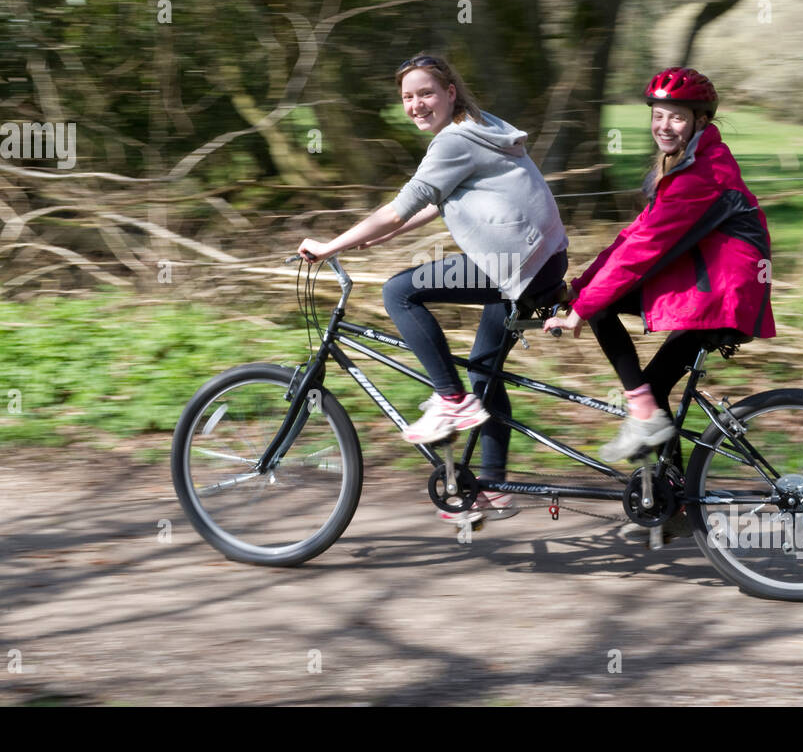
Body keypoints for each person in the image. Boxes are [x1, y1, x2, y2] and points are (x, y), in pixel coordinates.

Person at [298, 53, 568, 521]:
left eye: (425, 93)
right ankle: (493, 488)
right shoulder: (482, 124)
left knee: (398, 292)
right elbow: (432, 199)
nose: (416, 105)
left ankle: (449, 400)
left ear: (449, 93)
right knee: (485, 371)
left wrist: (329, 246)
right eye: (407, 97)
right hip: (542, 260)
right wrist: (382, 235)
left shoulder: (454, 140)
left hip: (514, 265)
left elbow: (402, 205)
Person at [544, 67, 775, 461]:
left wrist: (583, 307)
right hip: (711, 288)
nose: (664, 126)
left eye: (677, 116)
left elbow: (643, 250)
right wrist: (581, 287)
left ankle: (645, 416)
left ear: (701, 120)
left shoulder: (701, 173)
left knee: (608, 317)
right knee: (651, 384)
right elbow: (634, 235)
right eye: (658, 115)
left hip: (723, 294)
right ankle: (673, 505)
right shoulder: (687, 160)